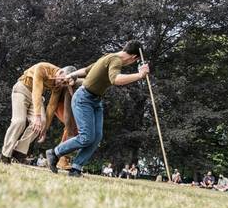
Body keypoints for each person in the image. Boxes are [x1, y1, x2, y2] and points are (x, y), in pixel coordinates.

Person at [46, 40, 150, 177]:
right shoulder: (115, 60)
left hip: (95, 101)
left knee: (96, 137)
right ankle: (54, 153)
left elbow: (86, 70)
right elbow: (116, 79)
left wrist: (71, 75)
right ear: (134, 58)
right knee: (86, 137)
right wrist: (140, 75)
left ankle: (76, 168)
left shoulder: (107, 57)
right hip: (84, 99)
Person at [0, 63, 77, 164]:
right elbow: (36, 91)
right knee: (19, 121)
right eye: (62, 80)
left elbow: (51, 106)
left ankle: (19, 152)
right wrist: (37, 116)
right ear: (61, 72)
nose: (61, 84)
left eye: (65, 83)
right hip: (22, 89)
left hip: (36, 98)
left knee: (42, 123)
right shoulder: (43, 68)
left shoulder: (60, 85)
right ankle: (5, 155)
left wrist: (44, 129)